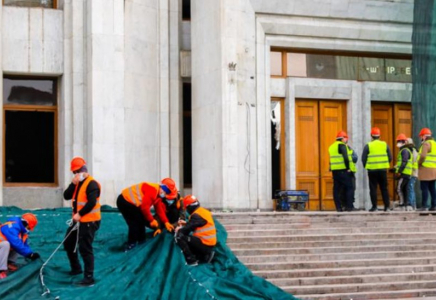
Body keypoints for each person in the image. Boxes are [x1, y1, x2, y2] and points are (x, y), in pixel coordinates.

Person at [63, 157, 101, 287]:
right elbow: (66, 196)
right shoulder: (77, 184)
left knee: (85, 248)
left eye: (77, 171)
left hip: (89, 221)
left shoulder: (92, 184)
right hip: (78, 220)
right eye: (74, 172)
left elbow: (91, 202)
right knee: (69, 243)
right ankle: (76, 268)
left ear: (84, 170)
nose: (76, 174)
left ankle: (89, 277)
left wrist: (80, 214)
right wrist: (73, 184)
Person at [116, 178, 178, 251]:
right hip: (125, 201)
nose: (166, 194)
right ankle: (131, 243)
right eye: (166, 191)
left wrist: (166, 222)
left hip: (134, 204)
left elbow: (159, 209)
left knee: (141, 220)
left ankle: (141, 239)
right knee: (134, 222)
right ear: (162, 187)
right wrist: (151, 220)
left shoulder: (158, 195)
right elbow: (144, 208)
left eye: (167, 192)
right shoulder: (153, 191)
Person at [175, 195, 216, 266]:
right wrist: (186, 224)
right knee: (188, 238)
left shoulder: (197, 215)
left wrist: (180, 229)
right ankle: (203, 255)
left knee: (180, 236)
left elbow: (185, 230)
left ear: (189, 207)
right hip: (207, 243)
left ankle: (191, 260)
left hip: (205, 244)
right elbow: (195, 224)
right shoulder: (202, 212)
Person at [0, 213, 40, 279]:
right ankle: (1, 270)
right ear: (26, 224)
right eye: (29, 227)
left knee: (17, 246)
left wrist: (31, 254)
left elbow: (24, 245)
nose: (29, 229)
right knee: (6, 244)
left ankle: (8, 263)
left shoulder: (21, 231)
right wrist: (29, 255)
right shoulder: (12, 227)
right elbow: (16, 243)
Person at [361, 127, 392, 212]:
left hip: (372, 170)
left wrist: (367, 166)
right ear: (380, 136)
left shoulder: (368, 145)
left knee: (373, 188)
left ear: (371, 136)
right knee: (384, 188)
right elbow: (390, 157)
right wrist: (385, 164)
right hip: (382, 170)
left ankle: (374, 207)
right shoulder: (384, 144)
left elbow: (363, 158)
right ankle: (387, 207)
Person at [328, 130, 354, 212]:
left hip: (335, 171)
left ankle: (338, 207)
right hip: (343, 170)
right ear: (342, 138)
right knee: (349, 187)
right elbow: (346, 158)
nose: (346, 140)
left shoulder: (331, 147)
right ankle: (349, 207)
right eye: (345, 138)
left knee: (336, 189)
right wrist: (348, 168)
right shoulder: (342, 146)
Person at [418, 128, 436, 211]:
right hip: (433, 169)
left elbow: (423, 156)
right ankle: (434, 205)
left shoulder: (426, 144)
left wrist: (419, 163)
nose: (421, 138)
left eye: (421, 136)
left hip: (425, 169)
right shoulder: (434, 143)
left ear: (424, 136)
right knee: (432, 188)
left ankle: (424, 206)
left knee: (424, 188)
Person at [393, 134, 412, 211]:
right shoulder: (405, 150)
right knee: (405, 189)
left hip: (404, 173)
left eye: (399, 141)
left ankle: (402, 204)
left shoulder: (404, 151)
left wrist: (400, 171)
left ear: (403, 142)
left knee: (399, 188)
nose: (398, 143)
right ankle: (405, 205)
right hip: (407, 173)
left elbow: (404, 162)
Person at [340, 134, 358, 210]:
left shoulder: (349, 148)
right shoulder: (339, 148)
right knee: (342, 189)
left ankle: (350, 205)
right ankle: (344, 205)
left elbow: (355, 158)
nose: (345, 140)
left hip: (350, 172)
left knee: (351, 188)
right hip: (342, 171)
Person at [406, 137, 418, 210]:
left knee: (410, 188)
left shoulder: (412, 151)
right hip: (413, 172)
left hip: (412, 172)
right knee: (411, 188)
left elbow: (412, 162)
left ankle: (411, 204)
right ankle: (413, 205)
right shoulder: (413, 150)